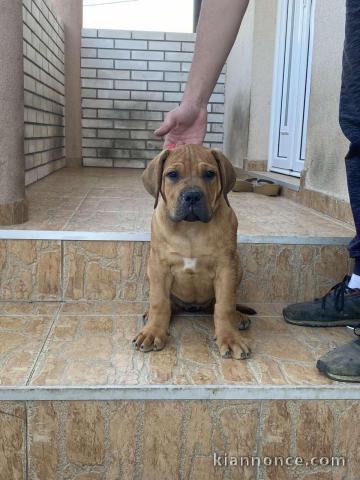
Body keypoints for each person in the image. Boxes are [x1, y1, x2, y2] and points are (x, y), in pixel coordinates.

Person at [155, 0, 360, 383]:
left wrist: (226, 319)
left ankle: (225, 321)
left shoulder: (223, 213)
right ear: (157, 183)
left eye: (207, 177)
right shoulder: (160, 217)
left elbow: (226, 267)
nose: (192, 191)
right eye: (174, 178)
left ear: (224, 181)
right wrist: (194, 101)